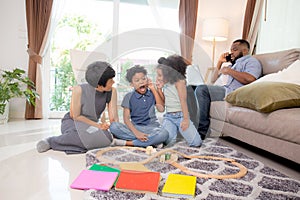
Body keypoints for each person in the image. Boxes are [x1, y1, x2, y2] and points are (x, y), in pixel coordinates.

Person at [36, 61, 118, 154]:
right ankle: (51, 141)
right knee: (82, 136)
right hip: (73, 122)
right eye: (110, 80)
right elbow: (75, 116)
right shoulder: (78, 90)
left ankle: (71, 140)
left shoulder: (112, 91)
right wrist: (97, 126)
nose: (113, 82)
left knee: (106, 137)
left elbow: (113, 117)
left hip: (92, 126)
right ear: (99, 83)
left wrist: (115, 131)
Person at [195, 39, 262, 140]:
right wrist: (220, 62)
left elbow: (250, 78)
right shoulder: (232, 65)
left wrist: (229, 71)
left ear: (244, 51)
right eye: (231, 50)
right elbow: (213, 80)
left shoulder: (251, 61)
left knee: (202, 90)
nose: (231, 52)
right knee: (191, 88)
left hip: (232, 92)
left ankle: (201, 132)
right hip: (221, 89)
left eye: (234, 50)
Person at [109, 65, 169, 147]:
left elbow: (161, 109)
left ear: (147, 79)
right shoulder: (128, 96)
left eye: (144, 79)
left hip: (152, 127)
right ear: (131, 84)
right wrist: (137, 133)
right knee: (113, 126)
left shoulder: (152, 93)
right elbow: (126, 119)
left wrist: (153, 89)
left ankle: (127, 143)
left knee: (164, 134)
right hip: (136, 127)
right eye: (137, 80)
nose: (141, 82)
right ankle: (152, 141)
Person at [156, 55, 202, 147]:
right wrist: (159, 90)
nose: (158, 78)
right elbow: (164, 102)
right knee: (168, 142)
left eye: (160, 75)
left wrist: (185, 120)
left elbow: (183, 101)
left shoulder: (180, 82)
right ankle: (164, 134)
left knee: (196, 143)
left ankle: (178, 132)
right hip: (169, 117)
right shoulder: (166, 83)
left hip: (181, 116)